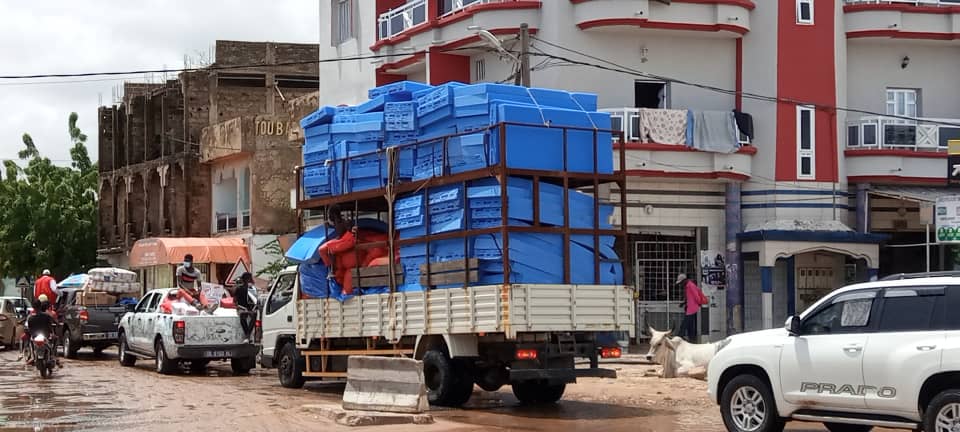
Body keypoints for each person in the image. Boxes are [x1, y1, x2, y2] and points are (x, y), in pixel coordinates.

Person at [318, 205, 361, 296]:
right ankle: (331, 267)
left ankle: (332, 269)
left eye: (330, 215)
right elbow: (334, 226)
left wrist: (352, 230)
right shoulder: (338, 222)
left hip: (346, 241)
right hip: (342, 240)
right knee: (324, 249)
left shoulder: (344, 222)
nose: (330, 217)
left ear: (333, 215)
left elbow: (351, 230)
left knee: (330, 249)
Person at [25, 297, 56, 366]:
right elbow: (50, 326)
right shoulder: (47, 316)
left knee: (31, 343)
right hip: (44, 336)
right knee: (51, 344)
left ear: (33, 307)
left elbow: (29, 329)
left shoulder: (31, 318)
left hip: (36, 336)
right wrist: (52, 333)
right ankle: (52, 357)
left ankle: (34, 357)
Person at [677, 273, 708, 342]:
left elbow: (696, 296)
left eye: (681, 282)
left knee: (684, 324)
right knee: (690, 325)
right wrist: (684, 303)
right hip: (690, 307)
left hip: (692, 308)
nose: (680, 284)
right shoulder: (688, 285)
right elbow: (689, 297)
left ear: (684, 280)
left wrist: (699, 303)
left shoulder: (690, 285)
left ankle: (679, 337)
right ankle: (692, 339)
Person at [234, 272, 258, 343]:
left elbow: (235, 300)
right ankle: (248, 335)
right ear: (248, 279)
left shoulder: (238, 288)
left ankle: (247, 336)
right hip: (250, 310)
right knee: (254, 316)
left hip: (242, 309)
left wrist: (237, 306)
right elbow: (255, 301)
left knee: (243, 318)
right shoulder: (252, 289)